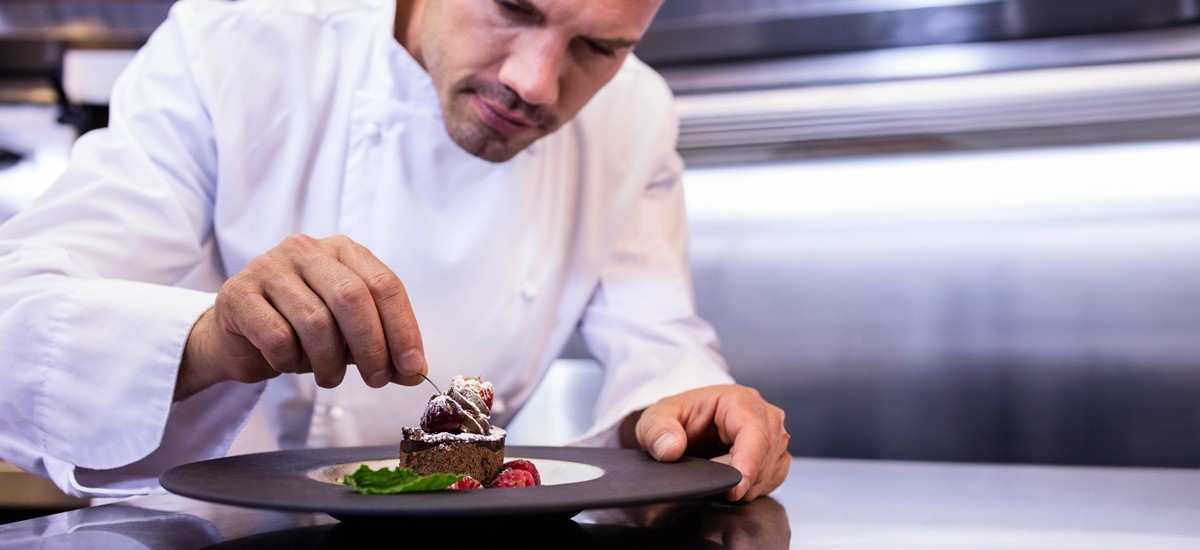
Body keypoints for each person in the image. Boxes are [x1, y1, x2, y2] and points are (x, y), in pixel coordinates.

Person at [0, 0, 790, 502]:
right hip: (206, 530)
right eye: (512, 6)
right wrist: (214, 337)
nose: (539, 84)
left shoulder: (638, 110)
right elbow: (15, 314)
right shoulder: (233, 42)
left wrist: (688, 404)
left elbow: (659, 342)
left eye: (600, 47)